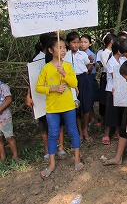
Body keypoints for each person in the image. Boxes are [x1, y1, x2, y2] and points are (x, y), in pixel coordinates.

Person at [36, 36, 83, 178]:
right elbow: (38, 88)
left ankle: (77, 158)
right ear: (51, 50)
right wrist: (53, 89)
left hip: (68, 105)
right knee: (53, 134)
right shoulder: (46, 68)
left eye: (64, 47)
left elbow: (74, 84)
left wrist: (64, 73)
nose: (63, 50)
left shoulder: (68, 66)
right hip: (52, 108)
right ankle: (51, 163)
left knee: (73, 131)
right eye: (59, 47)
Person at [25, 32, 66, 160]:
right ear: (49, 46)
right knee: (45, 125)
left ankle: (60, 147)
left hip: (57, 96)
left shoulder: (59, 59)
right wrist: (29, 95)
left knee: (58, 123)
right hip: (41, 97)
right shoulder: (37, 59)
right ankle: (49, 150)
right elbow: (32, 80)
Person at [64, 31, 94, 142]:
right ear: (68, 43)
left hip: (83, 79)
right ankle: (79, 131)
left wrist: (91, 61)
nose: (76, 45)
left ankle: (85, 129)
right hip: (71, 81)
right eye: (74, 42)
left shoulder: (83, 54)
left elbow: (89, 67)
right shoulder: (65, 56)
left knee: (86, 105)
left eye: (78, 42)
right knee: (76, 105)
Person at [79, 34, 100, 128]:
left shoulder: (91, 55)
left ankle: (92, 118)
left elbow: (90, 69)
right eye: (81, 42)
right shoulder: (79, 54)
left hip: (89, 77)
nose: (82, 44)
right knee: (87, 99)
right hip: (83, 78)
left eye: (85, 42)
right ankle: (91, 118)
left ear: (90, 43)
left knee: (90, 98)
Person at [0, 81, 19, 161]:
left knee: (9, 137)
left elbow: (9, 99)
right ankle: (3, 158)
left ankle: (16, 157)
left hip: (5, 117)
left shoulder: (3, 86)